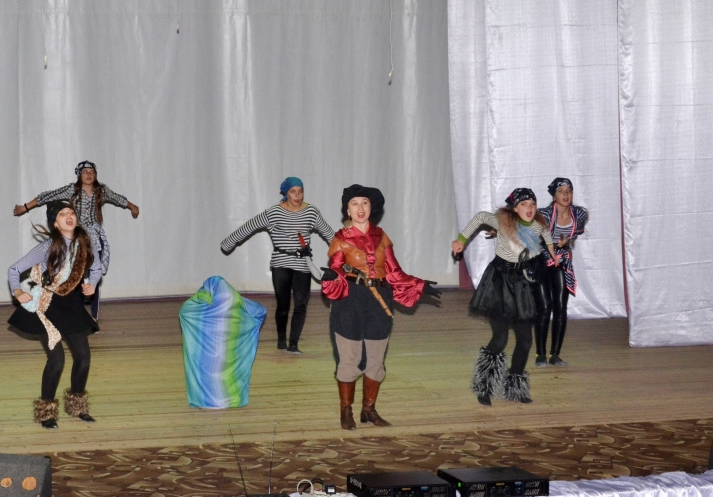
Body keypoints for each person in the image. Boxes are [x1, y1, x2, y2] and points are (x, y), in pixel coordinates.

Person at [320, 185, 439, 429]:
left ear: (371, 207)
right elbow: (336, 269)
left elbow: (395, 273)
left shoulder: (382, 237)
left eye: (365, 203)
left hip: (379, 298)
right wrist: (331, 277)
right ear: (348, 210)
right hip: (351, 298)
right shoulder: (341, 239)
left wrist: (419, 285)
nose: (360, 208)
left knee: (376, 355)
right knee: (350, 355)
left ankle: (369, 410)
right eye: (355, 203)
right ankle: (346, 410)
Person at [451, 188, 558, 406]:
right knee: (500, 339)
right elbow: (481, 217)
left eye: (532, 204)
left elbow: (546, 234)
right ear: (515, 208)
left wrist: (552, 251)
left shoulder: (538, 225)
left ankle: (515, 388)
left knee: (525, 341)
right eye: (524, 204)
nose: (529, 208)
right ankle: (484, 387)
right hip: (500, 282)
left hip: (522, 285)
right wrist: (461, 239)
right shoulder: (502, 222)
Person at [8, 200, 103, 429]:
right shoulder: (47, 247)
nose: (69, 216)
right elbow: (14, 270)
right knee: (57, 360)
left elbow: (97, 268)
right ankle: (46, 412)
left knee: (83, 358)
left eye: (71, 212)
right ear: (55, 224)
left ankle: (77, 406)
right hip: (46, 306)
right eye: (62, 214)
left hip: (72, 307)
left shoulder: (84, 244)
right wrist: (18, 291)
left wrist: (92, 284)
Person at [220, 176, 334, 354]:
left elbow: (329, 233)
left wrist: (346, 252)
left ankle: (293, 344)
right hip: (281, 263)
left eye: (300, 191)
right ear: (286, 193)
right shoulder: (274, 213)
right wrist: (228, 243)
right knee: (283, 305)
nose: (297, 196)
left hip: (302, 264)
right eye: (293, 192)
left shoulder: (311, 212)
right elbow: (249, 227)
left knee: (301, 304)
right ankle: (281, 338)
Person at [14, 161, 139, 320]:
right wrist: (25, 207)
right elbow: (47, 196)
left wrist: (132, 206)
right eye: (85, 172)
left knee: (95, 274)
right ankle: (76, 313)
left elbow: (117, 198)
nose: (89, 175)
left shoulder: (101, 191)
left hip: (94, 237)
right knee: (75, 275)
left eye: (92, 172)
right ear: (79, 175)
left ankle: (94, 317)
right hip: (75, 236)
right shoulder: (72, 190)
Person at [534, 177, 588, 368]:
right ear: (554, 195)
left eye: (569, 191)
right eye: (561, 191)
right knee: (544, 307)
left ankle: (555, 354)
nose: (566, 194)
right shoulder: (544, 214)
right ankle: (540, 353)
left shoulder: (579, 214)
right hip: (541, 259)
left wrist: (565, 247)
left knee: (560, 306)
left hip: (561, 261)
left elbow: (574, 234)